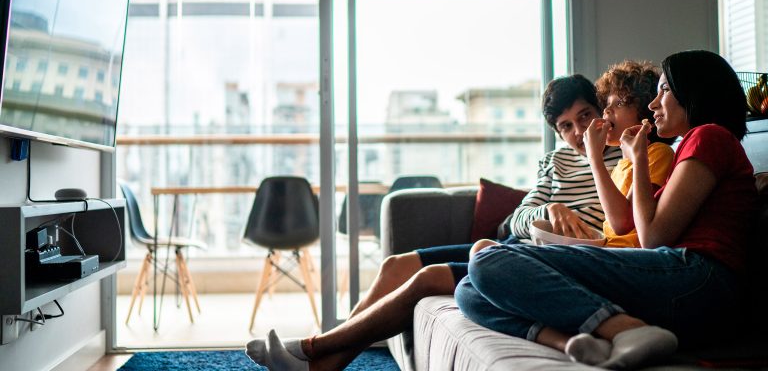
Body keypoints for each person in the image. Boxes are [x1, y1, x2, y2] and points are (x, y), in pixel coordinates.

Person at [244, 74, 623, 371]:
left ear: (600, 111)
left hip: (544, 262)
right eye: (566, 127)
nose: (577, 133)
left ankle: (316, 350)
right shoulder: (554, 161)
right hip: (516, 247)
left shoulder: (623, 158)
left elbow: (620, 224)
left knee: (426, 278)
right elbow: (510, 223)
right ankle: (323, 359)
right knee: (395, 264)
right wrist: (545, 212)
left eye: (584, 117)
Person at [454, 50, 759, 370]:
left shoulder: (708, 136)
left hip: (699, 280)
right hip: (682, 280)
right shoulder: (688, 146)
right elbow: (638, 224)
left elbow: (652, 236)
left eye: (665, 90)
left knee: (488, 259)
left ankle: (626, 330)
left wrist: (639, 158)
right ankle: (592, 337)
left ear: (697, 90)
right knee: (469, 290)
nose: (654, 104)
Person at [549, 60, 676, 246]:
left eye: (619, 103)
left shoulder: (657, 153)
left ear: (644, 115)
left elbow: (621, 223)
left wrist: (594, 158)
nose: (606, 110)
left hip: (626, 255)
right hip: (607, 249)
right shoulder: (620, 166)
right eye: (607, 104)